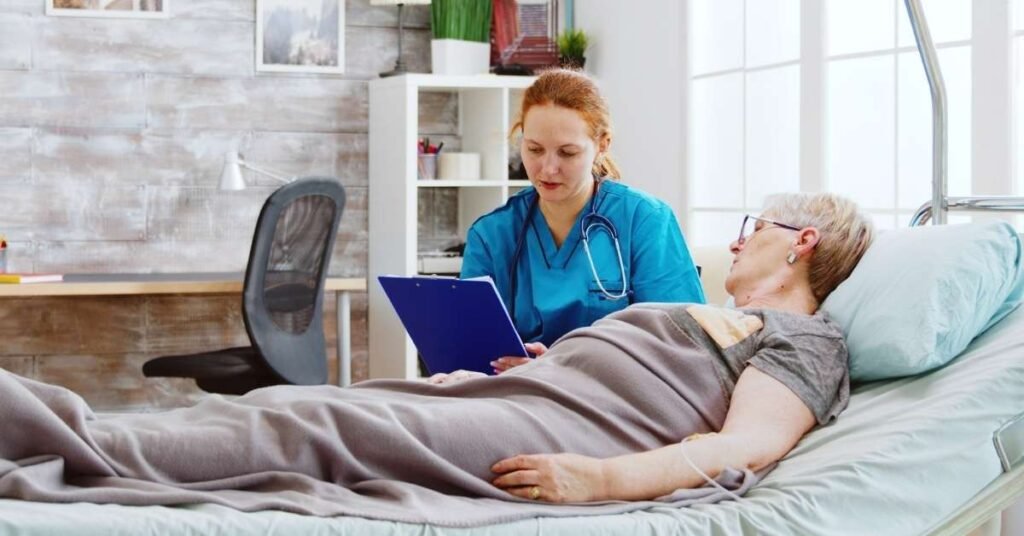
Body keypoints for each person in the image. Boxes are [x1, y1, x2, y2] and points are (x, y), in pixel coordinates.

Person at [0, 193, 872, 516]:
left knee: (310, 428)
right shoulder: (704, 311)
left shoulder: (806, 339)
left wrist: (594, 480)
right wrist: (552, 356)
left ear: (800, 244)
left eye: (754, 228)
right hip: (523, 389)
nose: (739, 239)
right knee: (291, 409)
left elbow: (742, 448)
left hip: (557, 431)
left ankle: (36, 424)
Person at [460, 69, 704, 373]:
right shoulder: (492, 234)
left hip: (615, 401)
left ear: (602, 144)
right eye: (534, 149)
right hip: (513, 400)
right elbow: (470, 353)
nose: (547, 169)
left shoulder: (645, 221)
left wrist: (557, 369)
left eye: (567, 153)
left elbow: (683, 349)